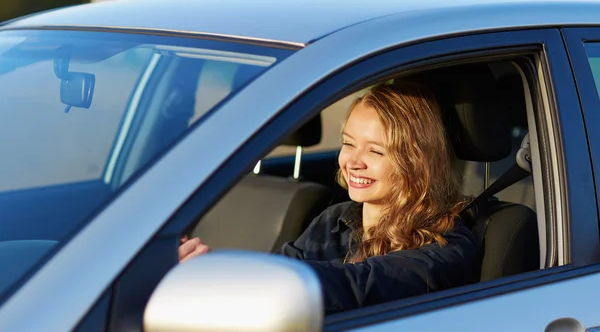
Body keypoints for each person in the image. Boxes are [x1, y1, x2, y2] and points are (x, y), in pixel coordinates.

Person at [179, 82, 478, 314]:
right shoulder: (337, 219)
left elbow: (356, 285)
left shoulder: (446, 247)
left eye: (375, 151)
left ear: (415, 161)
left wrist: (227, 274)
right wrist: (205, 272)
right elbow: (280, 269)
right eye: (349, 144)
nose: (353, 161)